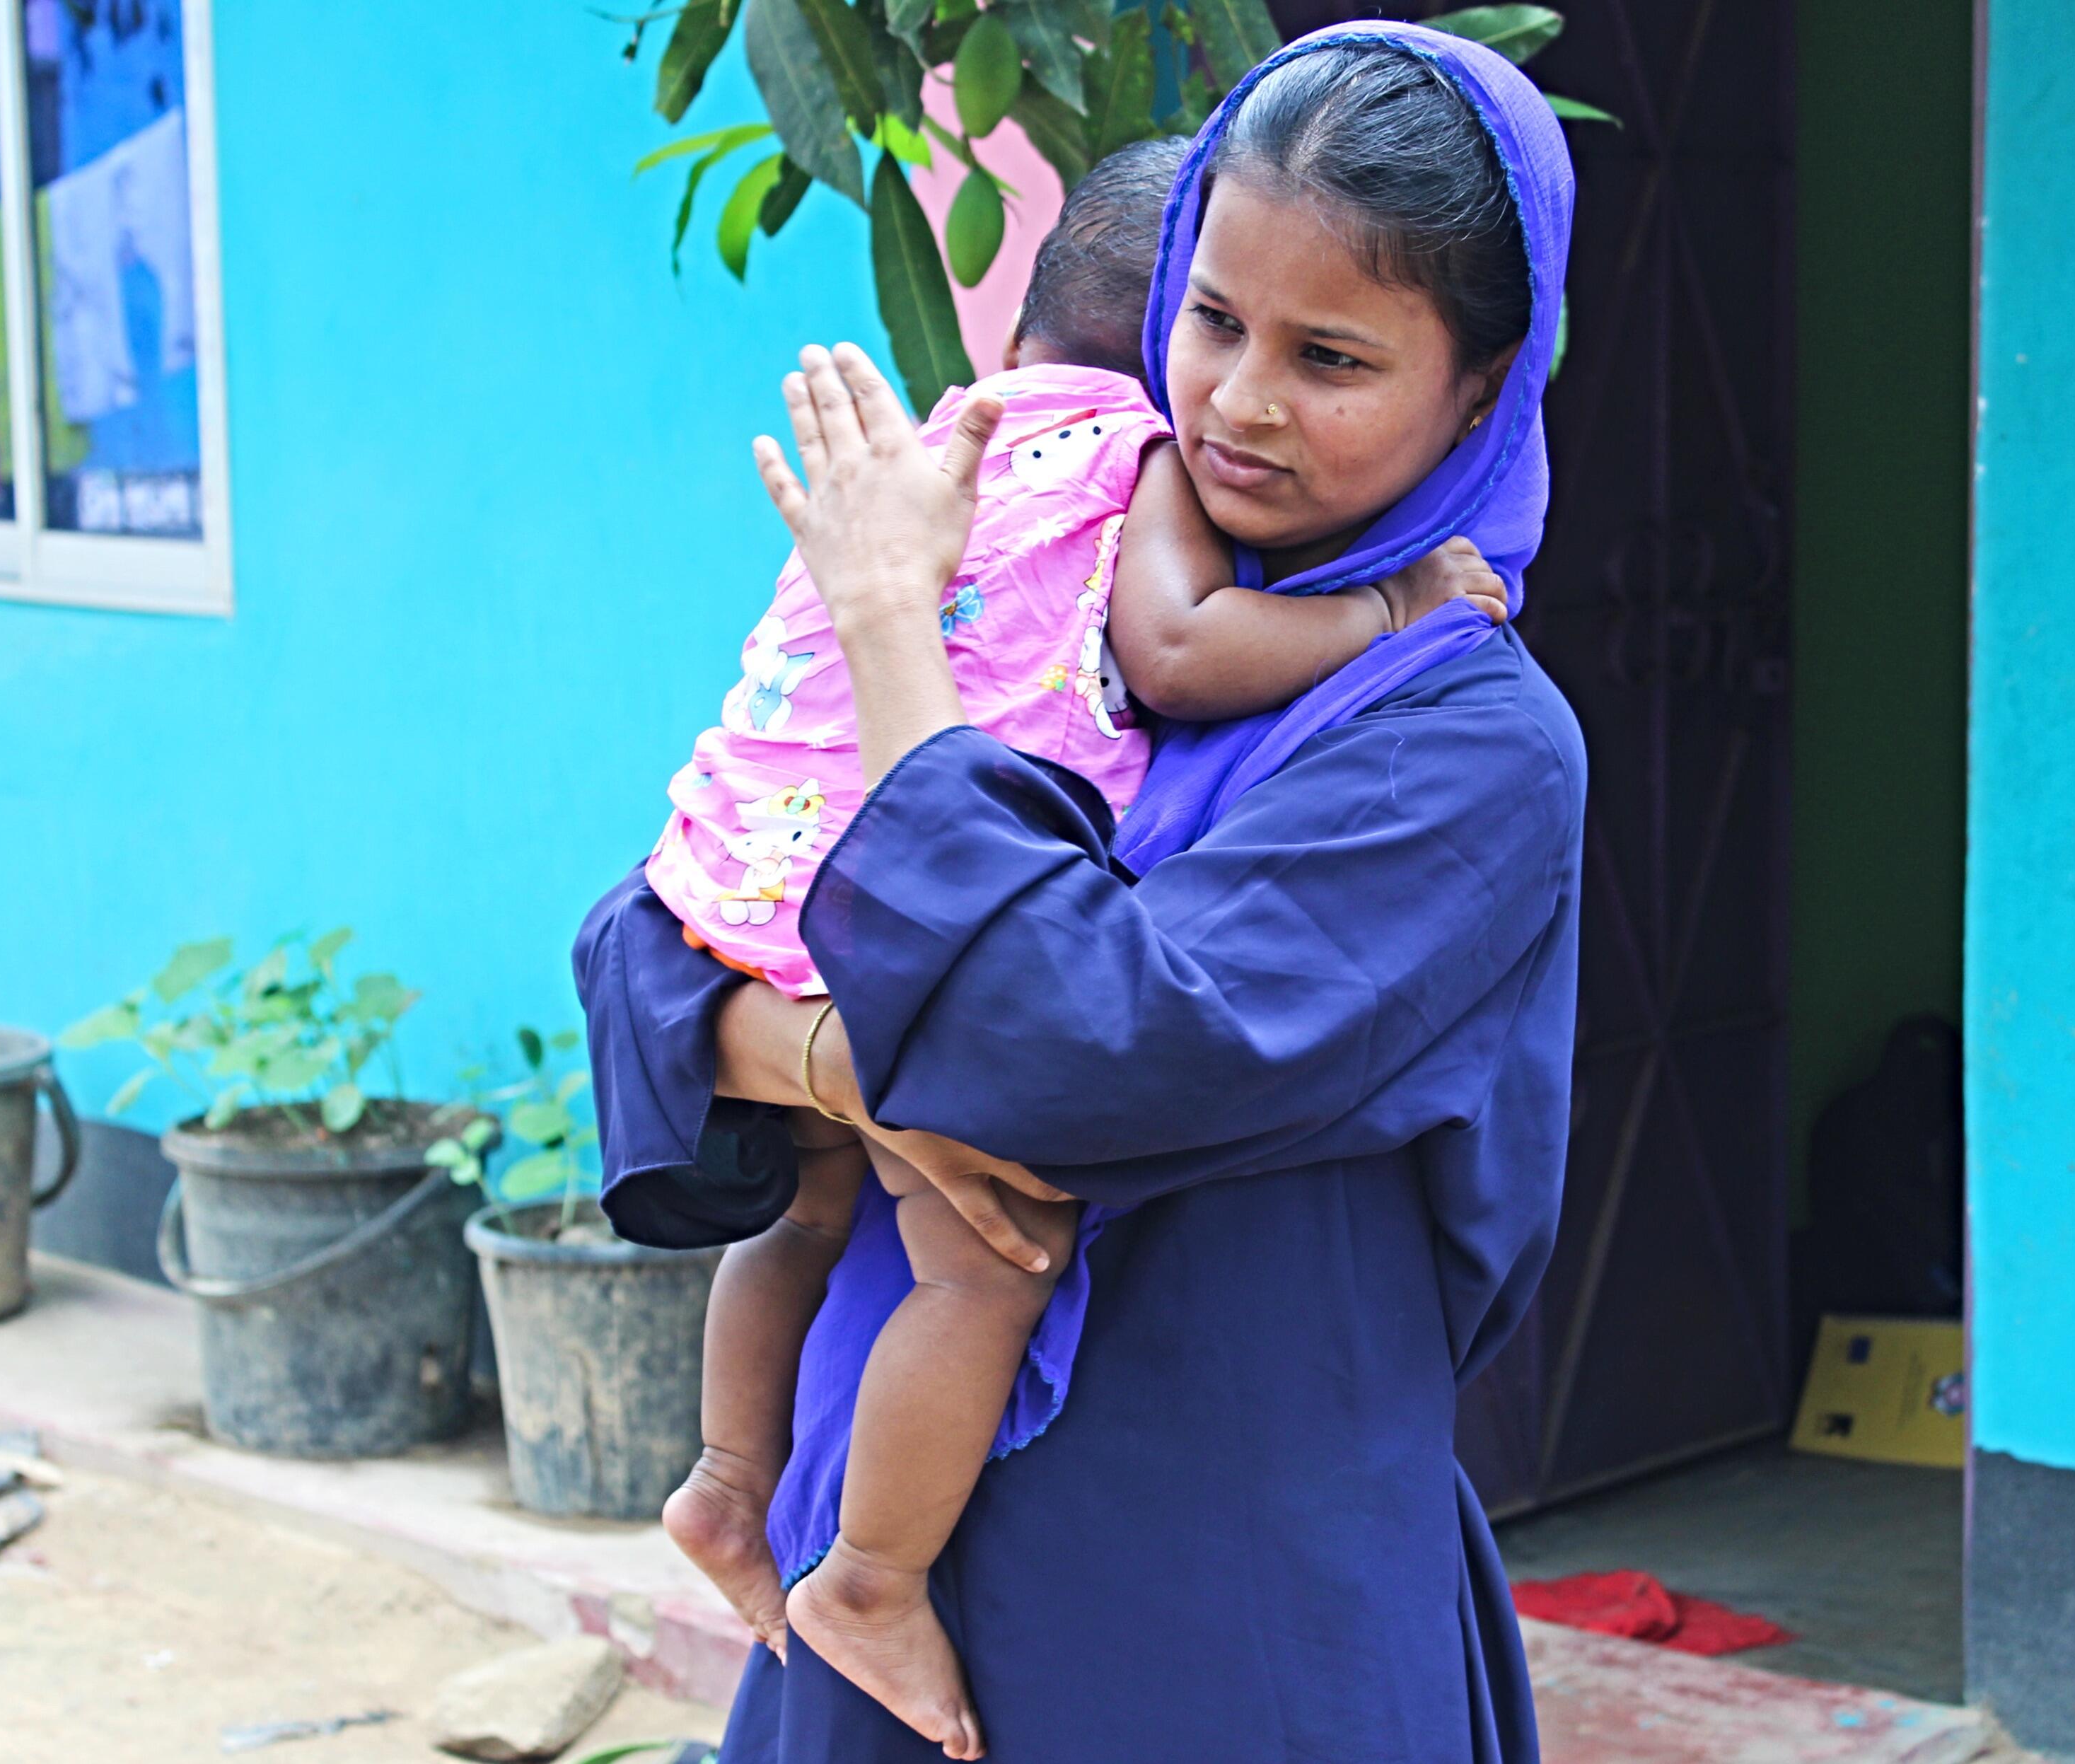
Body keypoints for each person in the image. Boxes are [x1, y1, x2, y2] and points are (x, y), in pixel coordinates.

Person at [667, 24, 1585, 1762]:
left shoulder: (1464, 740)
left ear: (1479, 387)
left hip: (1216, 1600)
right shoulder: (1051, 575)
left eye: (1331, 357)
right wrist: (823, 1064)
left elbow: (1081, 1055)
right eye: (1214, 317)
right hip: (881, 1573)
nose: (1240, 400)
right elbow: (651, 940)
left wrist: (886, 637)